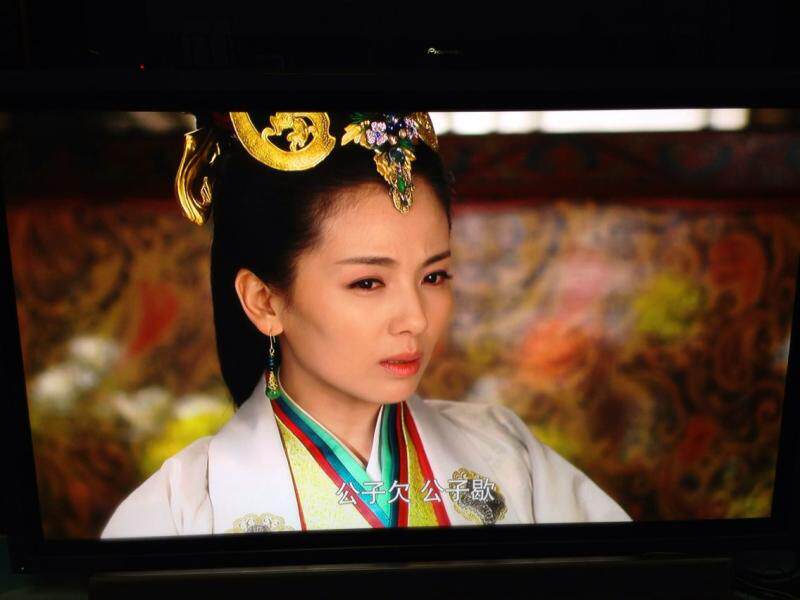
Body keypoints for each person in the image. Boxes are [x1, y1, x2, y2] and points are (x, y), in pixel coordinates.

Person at [101, 111, 630, 538]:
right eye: (368, 283)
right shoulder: (179, 512)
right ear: (265, 301)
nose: (416, 319)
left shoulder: (508, 456)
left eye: (434, 276)